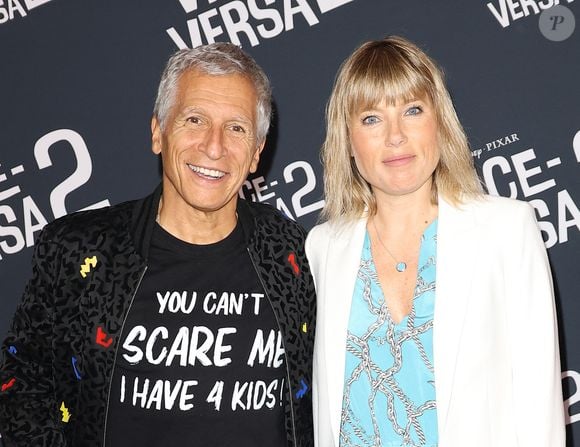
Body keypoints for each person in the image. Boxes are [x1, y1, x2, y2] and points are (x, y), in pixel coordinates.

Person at [0, 42, 315, 447]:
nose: (214, 146)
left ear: (256, 153)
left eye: (236, 128)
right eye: (195, 119)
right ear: (158, 133)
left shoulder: (294, 256)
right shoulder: (80, 249)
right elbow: (22, 375)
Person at [305, 36, 565, 446]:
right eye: (371, 118)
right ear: (348, 140)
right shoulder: (322, 248)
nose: (395, 136)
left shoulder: (506, 230)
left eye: (412, 110)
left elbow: (540, 403)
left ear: (440, 123)